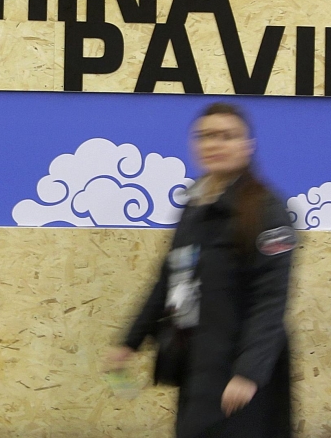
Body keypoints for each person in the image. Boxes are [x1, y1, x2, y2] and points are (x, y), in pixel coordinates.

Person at [107, 102, 296, 438]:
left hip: (242, 372)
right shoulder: (194, 205)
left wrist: (248, 373)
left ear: (247, 146)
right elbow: (169, 279)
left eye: (226, 136)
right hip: (197, 363)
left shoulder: (268, 212)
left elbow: (270, 301)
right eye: (205, 136)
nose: (214, 144)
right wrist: (130, 342)